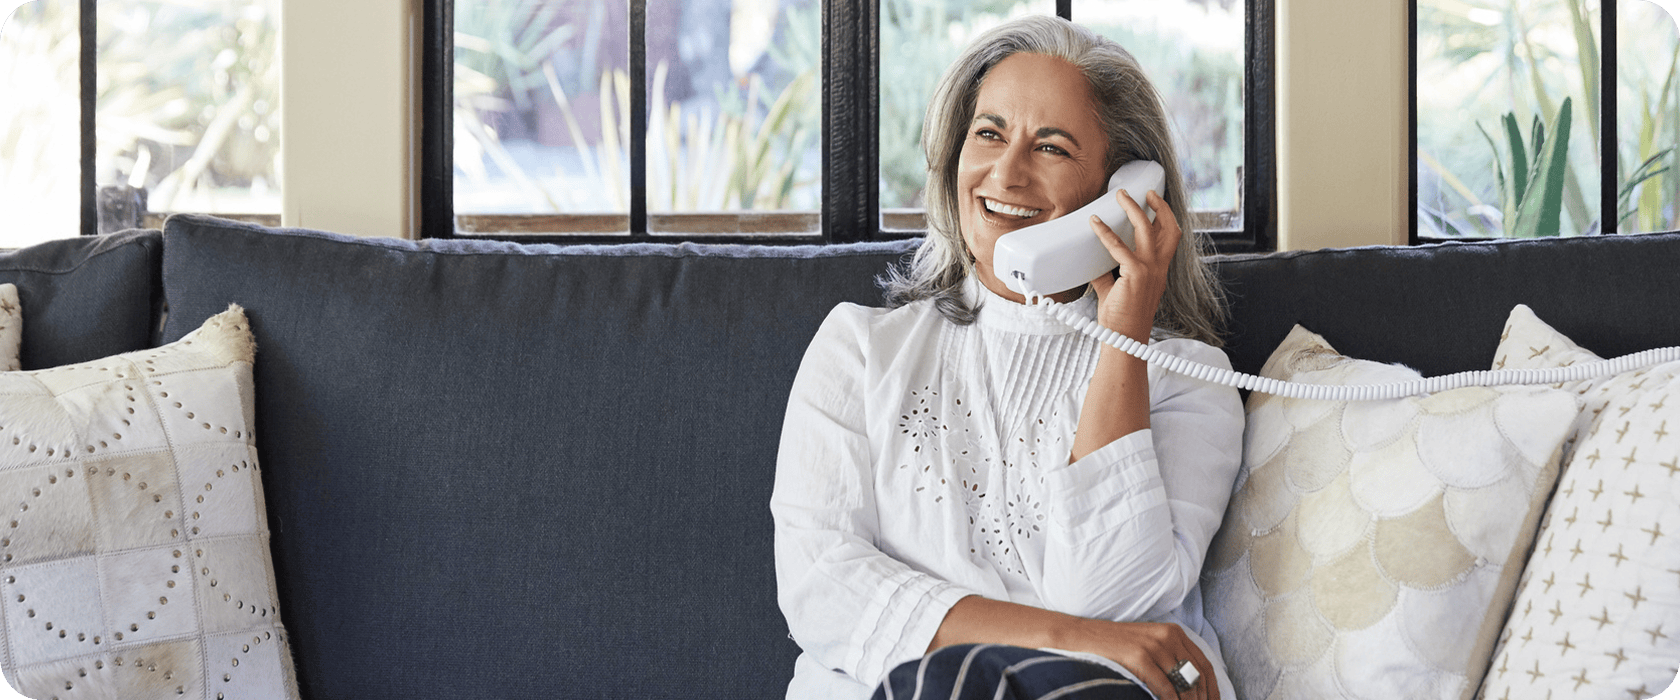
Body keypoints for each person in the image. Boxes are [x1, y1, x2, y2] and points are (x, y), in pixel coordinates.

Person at [771, 15, 1242, 700]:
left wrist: (1122, 337)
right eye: (989, 134)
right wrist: (1069, 638)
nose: (1007, 172)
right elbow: (823, 586)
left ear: (1126, 190)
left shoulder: (1188, 382)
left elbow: (1108, 593)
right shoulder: (860, 350)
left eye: (1051, 148)